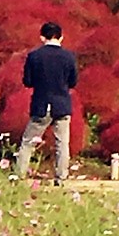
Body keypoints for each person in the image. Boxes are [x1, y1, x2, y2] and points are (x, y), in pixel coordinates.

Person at [15, 21, 77, 184]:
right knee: (62, 144)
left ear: (42, 37)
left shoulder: (34, 56)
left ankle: (20, 175)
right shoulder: (69, 57)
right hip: (62, 105)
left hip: (41, 105)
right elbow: (73, 82)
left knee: (28, 142)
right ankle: (61, 178)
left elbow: (28, 81)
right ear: (61, 37)